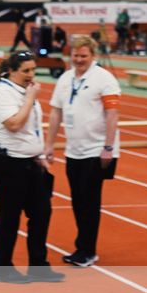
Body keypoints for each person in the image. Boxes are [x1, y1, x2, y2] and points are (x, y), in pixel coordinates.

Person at [0, 51, 62, 283]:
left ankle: (38, 266)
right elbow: (15, 125)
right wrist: (30, 98)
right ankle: (3, 269)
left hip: (30, 162)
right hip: (8, 163)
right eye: (26, 71)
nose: (31, 75)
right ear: (11, 71)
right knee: (10, 216)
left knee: (41, 212)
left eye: (33, 70)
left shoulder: (24, 91)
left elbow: (32, 128)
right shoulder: (4, 93)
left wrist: (39, 155)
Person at [45, 36, 120, 268]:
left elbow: (112, 114)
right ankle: (82, 247)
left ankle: (87, 250)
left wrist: (108, 147)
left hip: (96, 150)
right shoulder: (66, 79)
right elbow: (56, 112)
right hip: (73, 150)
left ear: (93, 56)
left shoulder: (104, 79)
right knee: (78, 201)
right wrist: (49, 145)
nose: (78, 60)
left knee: (89, 201)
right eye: (75, 56)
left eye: (83, 56)